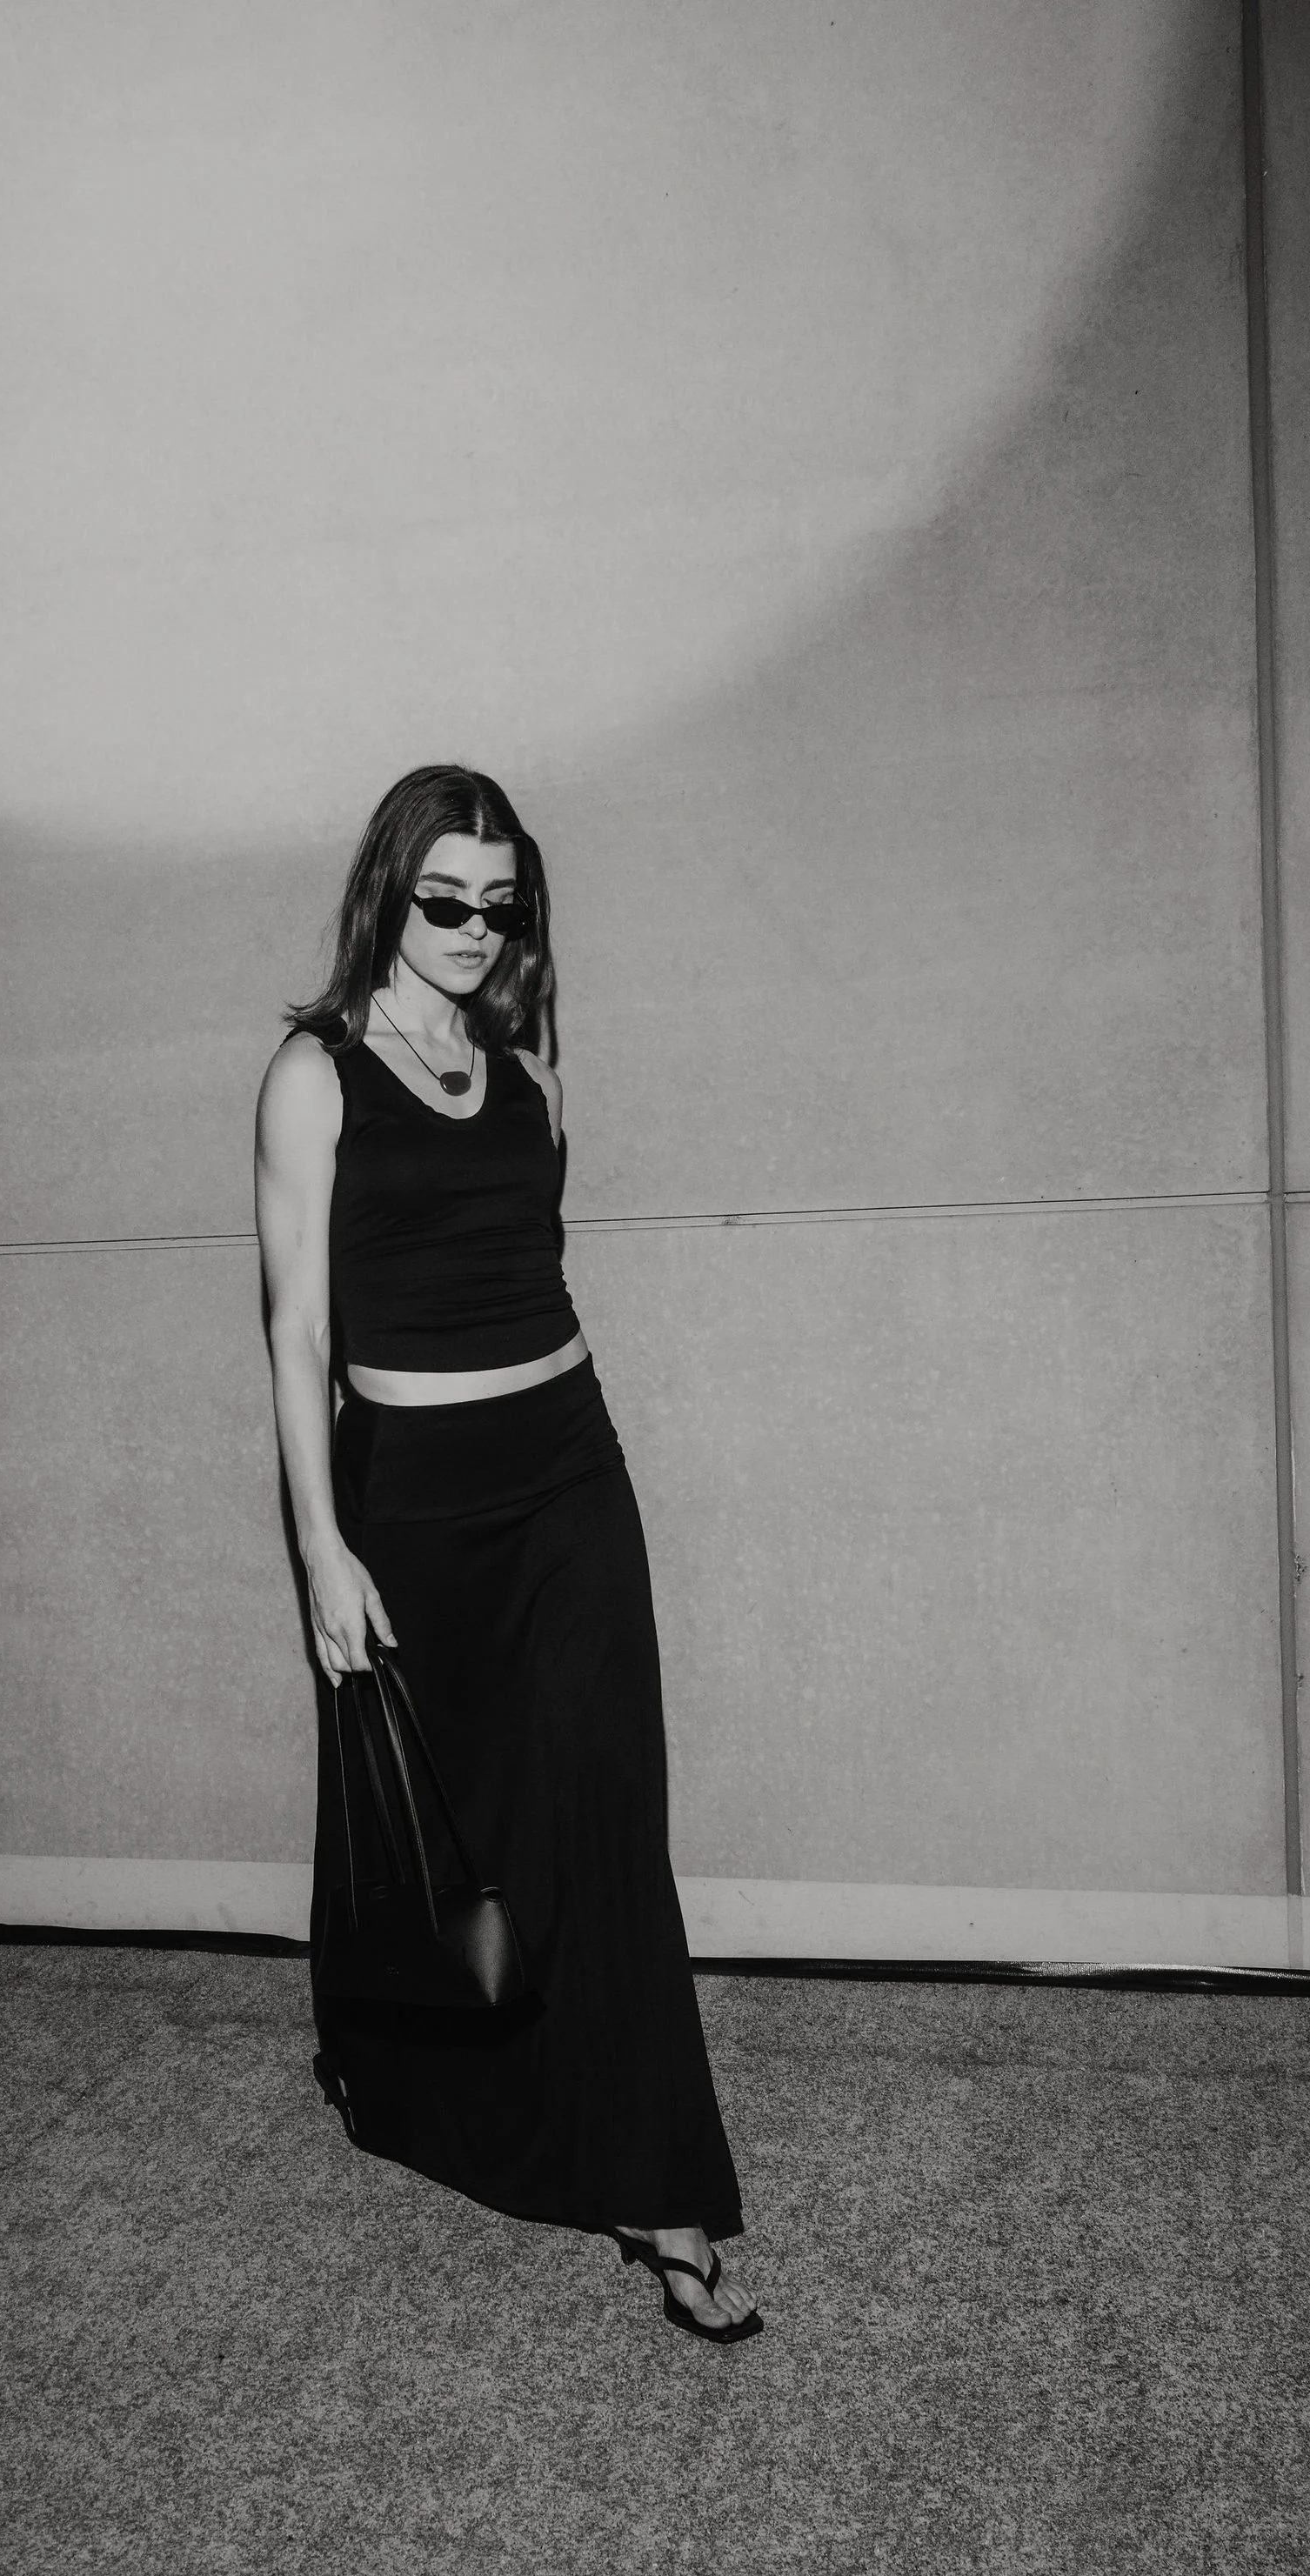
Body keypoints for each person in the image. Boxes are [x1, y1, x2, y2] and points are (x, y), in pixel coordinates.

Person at [254, 764, 759, 2342]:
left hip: (566, 1467)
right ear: (388, 894)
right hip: (413, 1494)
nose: (476, 929)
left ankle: (658, 2185)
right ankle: (426, 2075)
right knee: (455, 1816)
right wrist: (322, 1546)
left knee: (605, 1801)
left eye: (501, 902)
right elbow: (299, 1328)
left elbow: (527, 1268)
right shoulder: (315, 1075)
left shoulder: (526, 1066)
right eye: (445, 901)